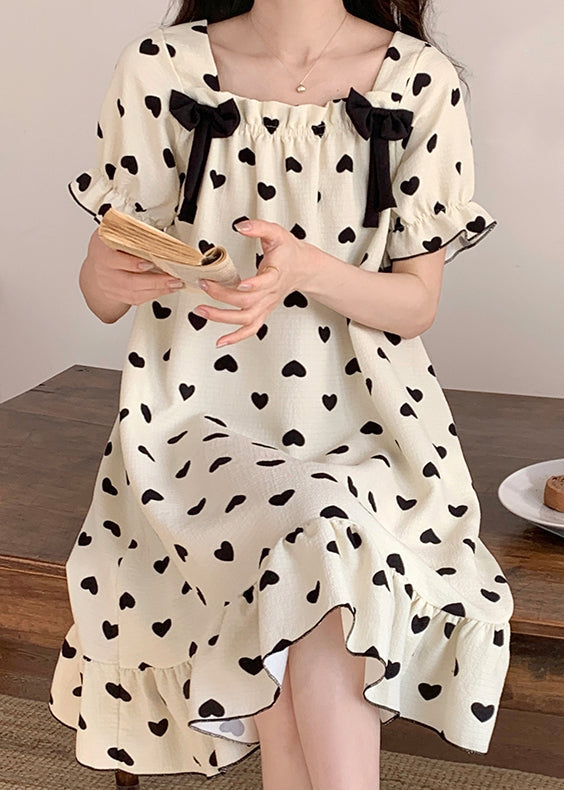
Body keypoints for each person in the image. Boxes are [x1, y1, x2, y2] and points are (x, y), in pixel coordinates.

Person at [49, 2, 514, 789]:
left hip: (374, 431)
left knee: (317, 538)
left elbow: (415, 305)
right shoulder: (161, 68)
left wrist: (305, 270)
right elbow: (104, 292)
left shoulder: (417, 80)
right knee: (311, 536)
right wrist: (101, 269)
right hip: (192, 425)